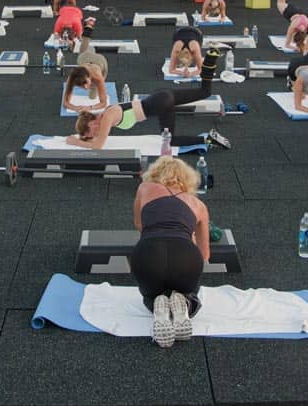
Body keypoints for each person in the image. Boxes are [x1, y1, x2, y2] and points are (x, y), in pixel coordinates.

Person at [66, 50, 230, 151]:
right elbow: (96, 138)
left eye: (90, 133)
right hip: (161, 97)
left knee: (171, 140)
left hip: (160, 102)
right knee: (205, 91)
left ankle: (207, 139)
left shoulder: (107, 118)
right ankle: (210, 59)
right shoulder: (105, 114)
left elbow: (97, 146)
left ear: (91, 124)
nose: (94, 135)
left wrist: (75, 142)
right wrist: (85, 134)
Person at [131, 156, 211, 347]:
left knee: (150, 295)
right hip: (185, 255)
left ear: (155, 173)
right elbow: (205, 255)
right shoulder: (199, 206)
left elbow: (139, 225)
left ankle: (156, 303)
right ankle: (185, 303)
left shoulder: (145, 188)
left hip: (148, 253)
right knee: (190, 293)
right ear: (187, 179)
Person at [62, 17, 109, 114]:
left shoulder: (97, 77)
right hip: (85, 59)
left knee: (92, 96)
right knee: (83, 52)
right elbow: (65, 102)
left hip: (100, 62)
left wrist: (90, 108)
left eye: (87, 84)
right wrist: (76, 108)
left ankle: (89, 31)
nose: (86, 88)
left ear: (88, 77)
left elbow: (103, 103)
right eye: (83, 87)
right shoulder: (72, 77)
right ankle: (88, 27)